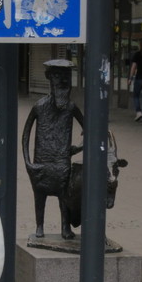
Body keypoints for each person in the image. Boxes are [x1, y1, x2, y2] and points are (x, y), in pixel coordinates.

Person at [21, 60, 84, 239]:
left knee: (64, 197)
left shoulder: (71, 107)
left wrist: (75, 149)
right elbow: (25, 135)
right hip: (41, 163)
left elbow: (89, 131)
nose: (62, 81)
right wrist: (28, 163)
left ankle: (65, 227)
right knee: (39, 197)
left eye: (66, 76)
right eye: (57, 76)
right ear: (49, 78)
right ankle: (39, 226)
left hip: (61, 163)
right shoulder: (39, 106)